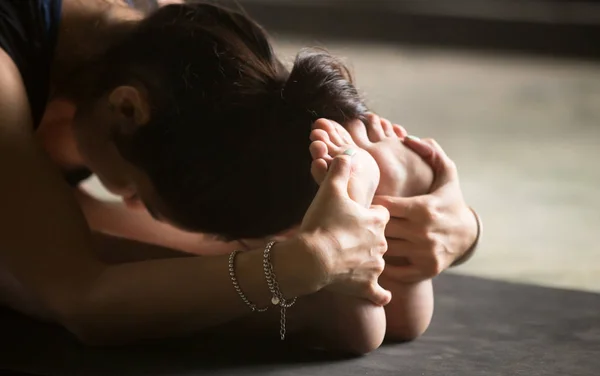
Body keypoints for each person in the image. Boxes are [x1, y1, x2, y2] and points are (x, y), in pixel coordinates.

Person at [0, 0, 480, 353]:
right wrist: (304, 262)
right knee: (42, 265)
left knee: (220, 239)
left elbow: (278, 120)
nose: (129, 200)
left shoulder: (180, 46)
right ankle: (313, 311)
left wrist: (456, 226)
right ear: (125, 108)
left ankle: (339, 281)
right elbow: (78, 298)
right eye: (144, 196)